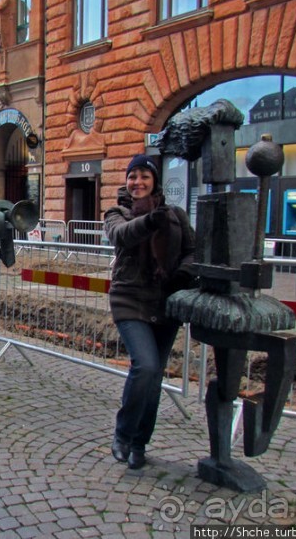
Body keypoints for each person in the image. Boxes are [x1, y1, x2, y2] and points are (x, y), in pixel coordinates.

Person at [104, 154, 196, 469]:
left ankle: (140, 443)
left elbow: (191, 250)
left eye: (144, 176)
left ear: (154, 181)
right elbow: (122, 235)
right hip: (128, 298)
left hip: (165, 302)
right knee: (144, 366)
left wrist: (184, 272)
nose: (138, 182)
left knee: (155, 376)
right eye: (133, 176)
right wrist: (150, 221)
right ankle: (123, 434)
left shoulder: (176, 215)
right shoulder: (118, 212)